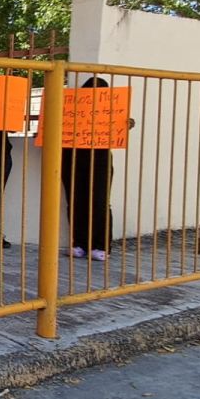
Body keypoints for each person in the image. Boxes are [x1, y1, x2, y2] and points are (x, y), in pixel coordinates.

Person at [60, 76, 136, 261]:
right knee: (75, 201)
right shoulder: (71, 109)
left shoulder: (110, 112)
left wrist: (124, 124)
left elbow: (118, 127)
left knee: (99, 202)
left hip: (99, 159)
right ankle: (79, 243)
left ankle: (101, 246)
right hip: (72, 158)